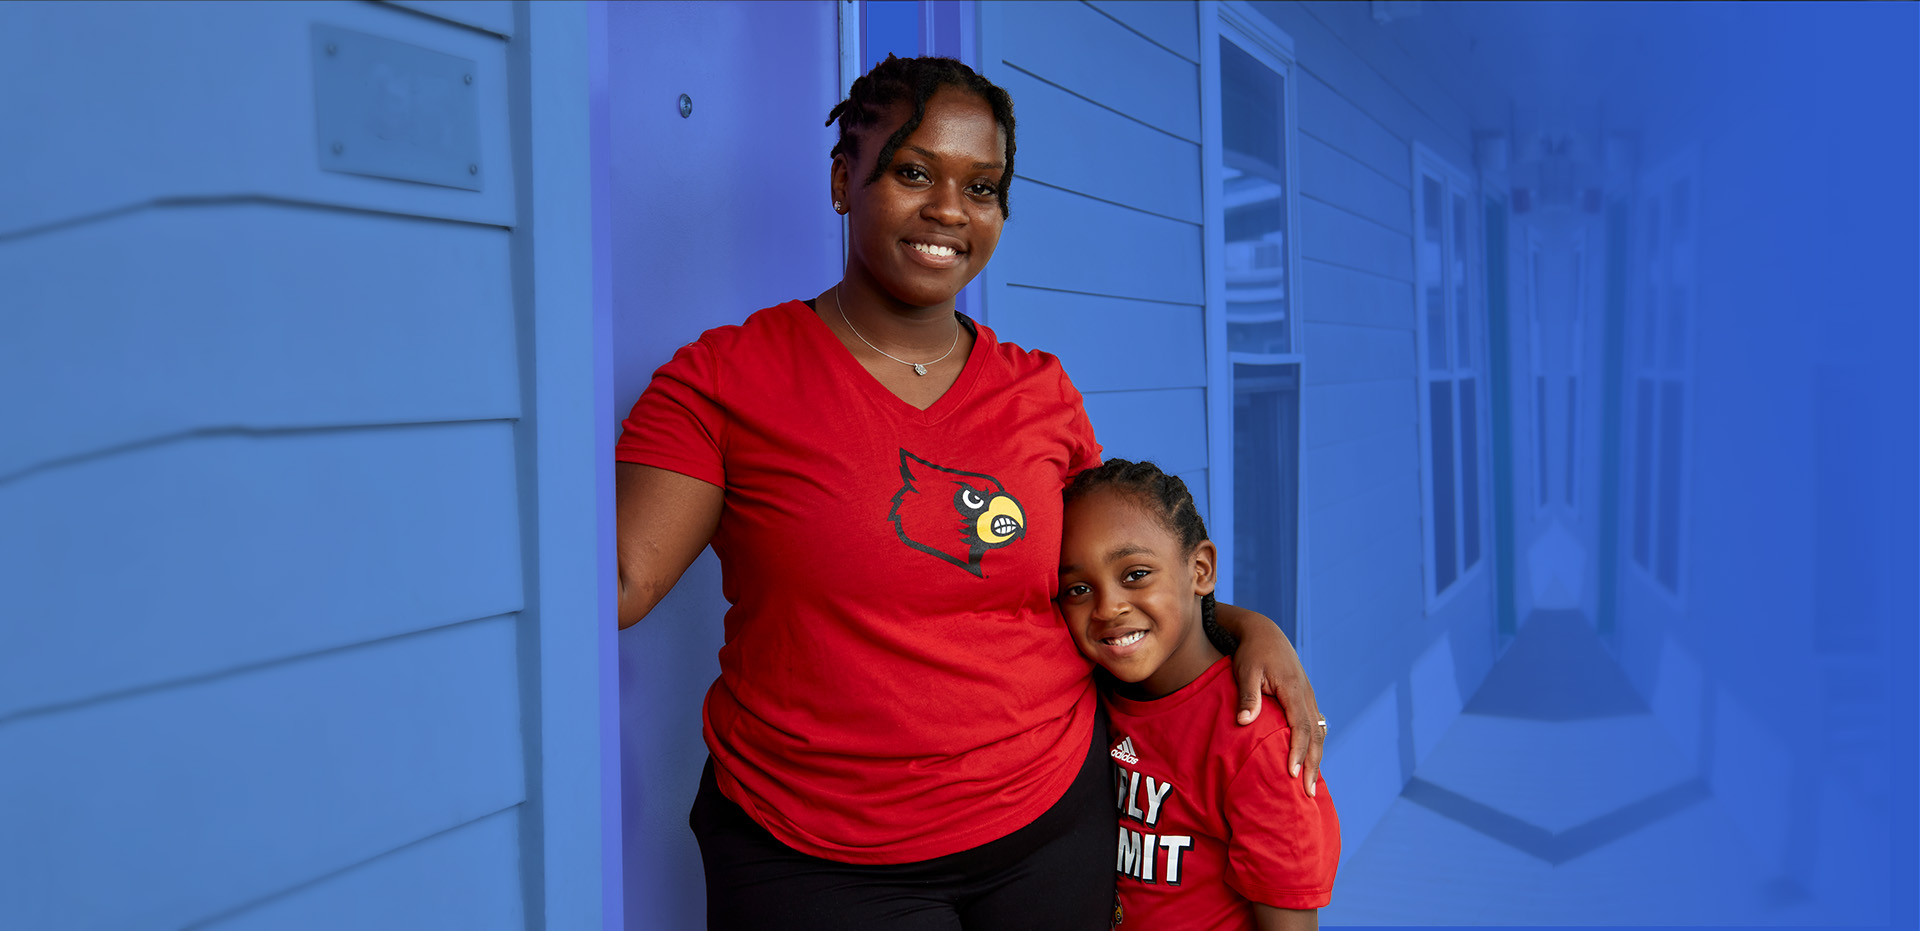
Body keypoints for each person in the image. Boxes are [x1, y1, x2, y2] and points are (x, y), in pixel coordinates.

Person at [614, 55, 1327, 929]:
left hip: (1051, 824)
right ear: (844, 179)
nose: (950, 210)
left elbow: (1107, 581)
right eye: (913, 172)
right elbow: (617, 582)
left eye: (982, 186)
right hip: (815, 852)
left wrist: (1249, 627)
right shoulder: (727, 379)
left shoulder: (1040, 392)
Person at [1058, 460, 1338, 931]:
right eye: (1079, 588)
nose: (1107, 607)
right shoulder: (1086, 687)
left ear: (1201, 568)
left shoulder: (1254, 737)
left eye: (1136, 574)